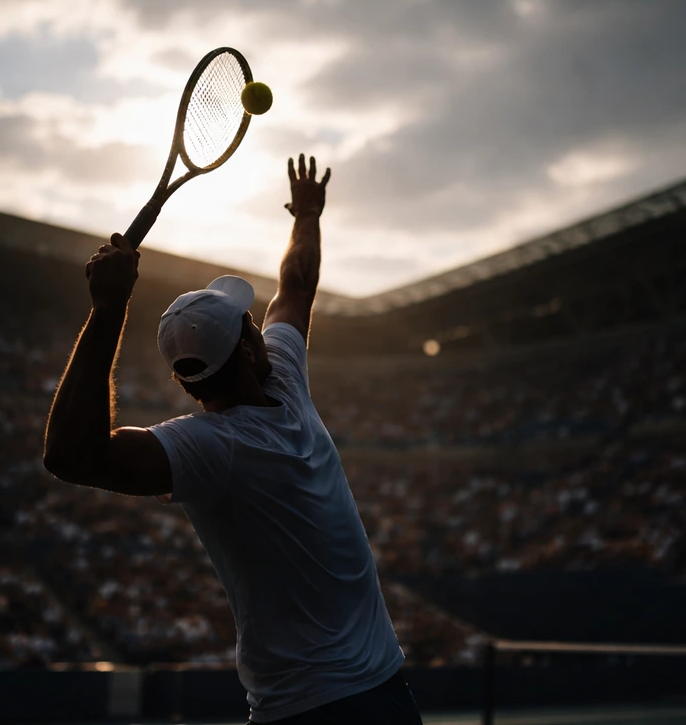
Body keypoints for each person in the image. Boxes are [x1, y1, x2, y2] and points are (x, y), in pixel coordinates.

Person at [43, 154, 422, 724]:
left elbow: (77, 453)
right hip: (363, 701)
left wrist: (108, 307)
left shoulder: (206, 444)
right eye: (250, 322)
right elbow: (296, 282)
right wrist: (308, 216)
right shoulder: (265, 401)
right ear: (248, 348)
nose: (259, 323)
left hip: (301, 707)